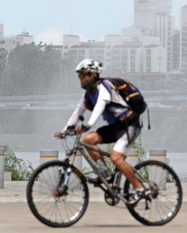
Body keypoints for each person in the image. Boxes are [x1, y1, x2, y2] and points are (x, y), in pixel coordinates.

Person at [56, 58, 144, 203]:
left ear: (92, 75)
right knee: (88, 141)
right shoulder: (88, 94)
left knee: (116, 158)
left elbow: (100, 106)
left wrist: (89, 125)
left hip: (130, 125)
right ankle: (106, 174)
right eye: (79, 76)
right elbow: (77, 112)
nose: (80, 79)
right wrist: (64, 131)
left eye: (83, 75)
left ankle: (139, 189)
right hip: (116, 127)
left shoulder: (104, 86)